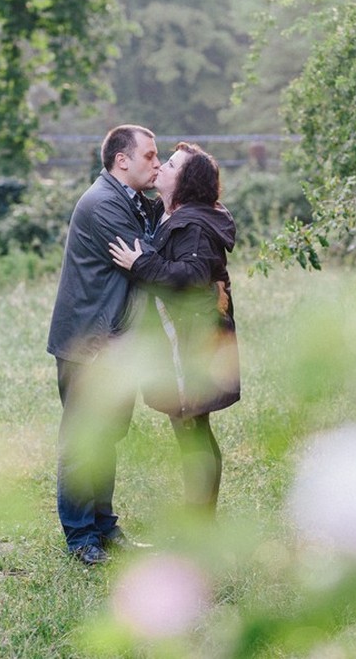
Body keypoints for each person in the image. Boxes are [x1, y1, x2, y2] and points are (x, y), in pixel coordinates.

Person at [47, 124, 161, 566]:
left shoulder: (128, 199)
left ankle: (103, 525)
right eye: (150, 156)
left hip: (116, 342)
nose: (157, 162)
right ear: (122, 161)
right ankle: (80, 537)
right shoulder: (101, 204)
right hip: (89, 343)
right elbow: (147, 258)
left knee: (107, 436)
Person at [108, 142, 240, 518]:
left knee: (193, 428)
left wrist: (141, 264)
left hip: (194, 340)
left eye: (170, 164)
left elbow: (193, 277)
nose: (161, 167)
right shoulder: (177, 214)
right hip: (184, 337)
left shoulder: (194, 225)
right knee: (190, 427)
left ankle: (200, 525)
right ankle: (197, 519)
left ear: (185, 182)